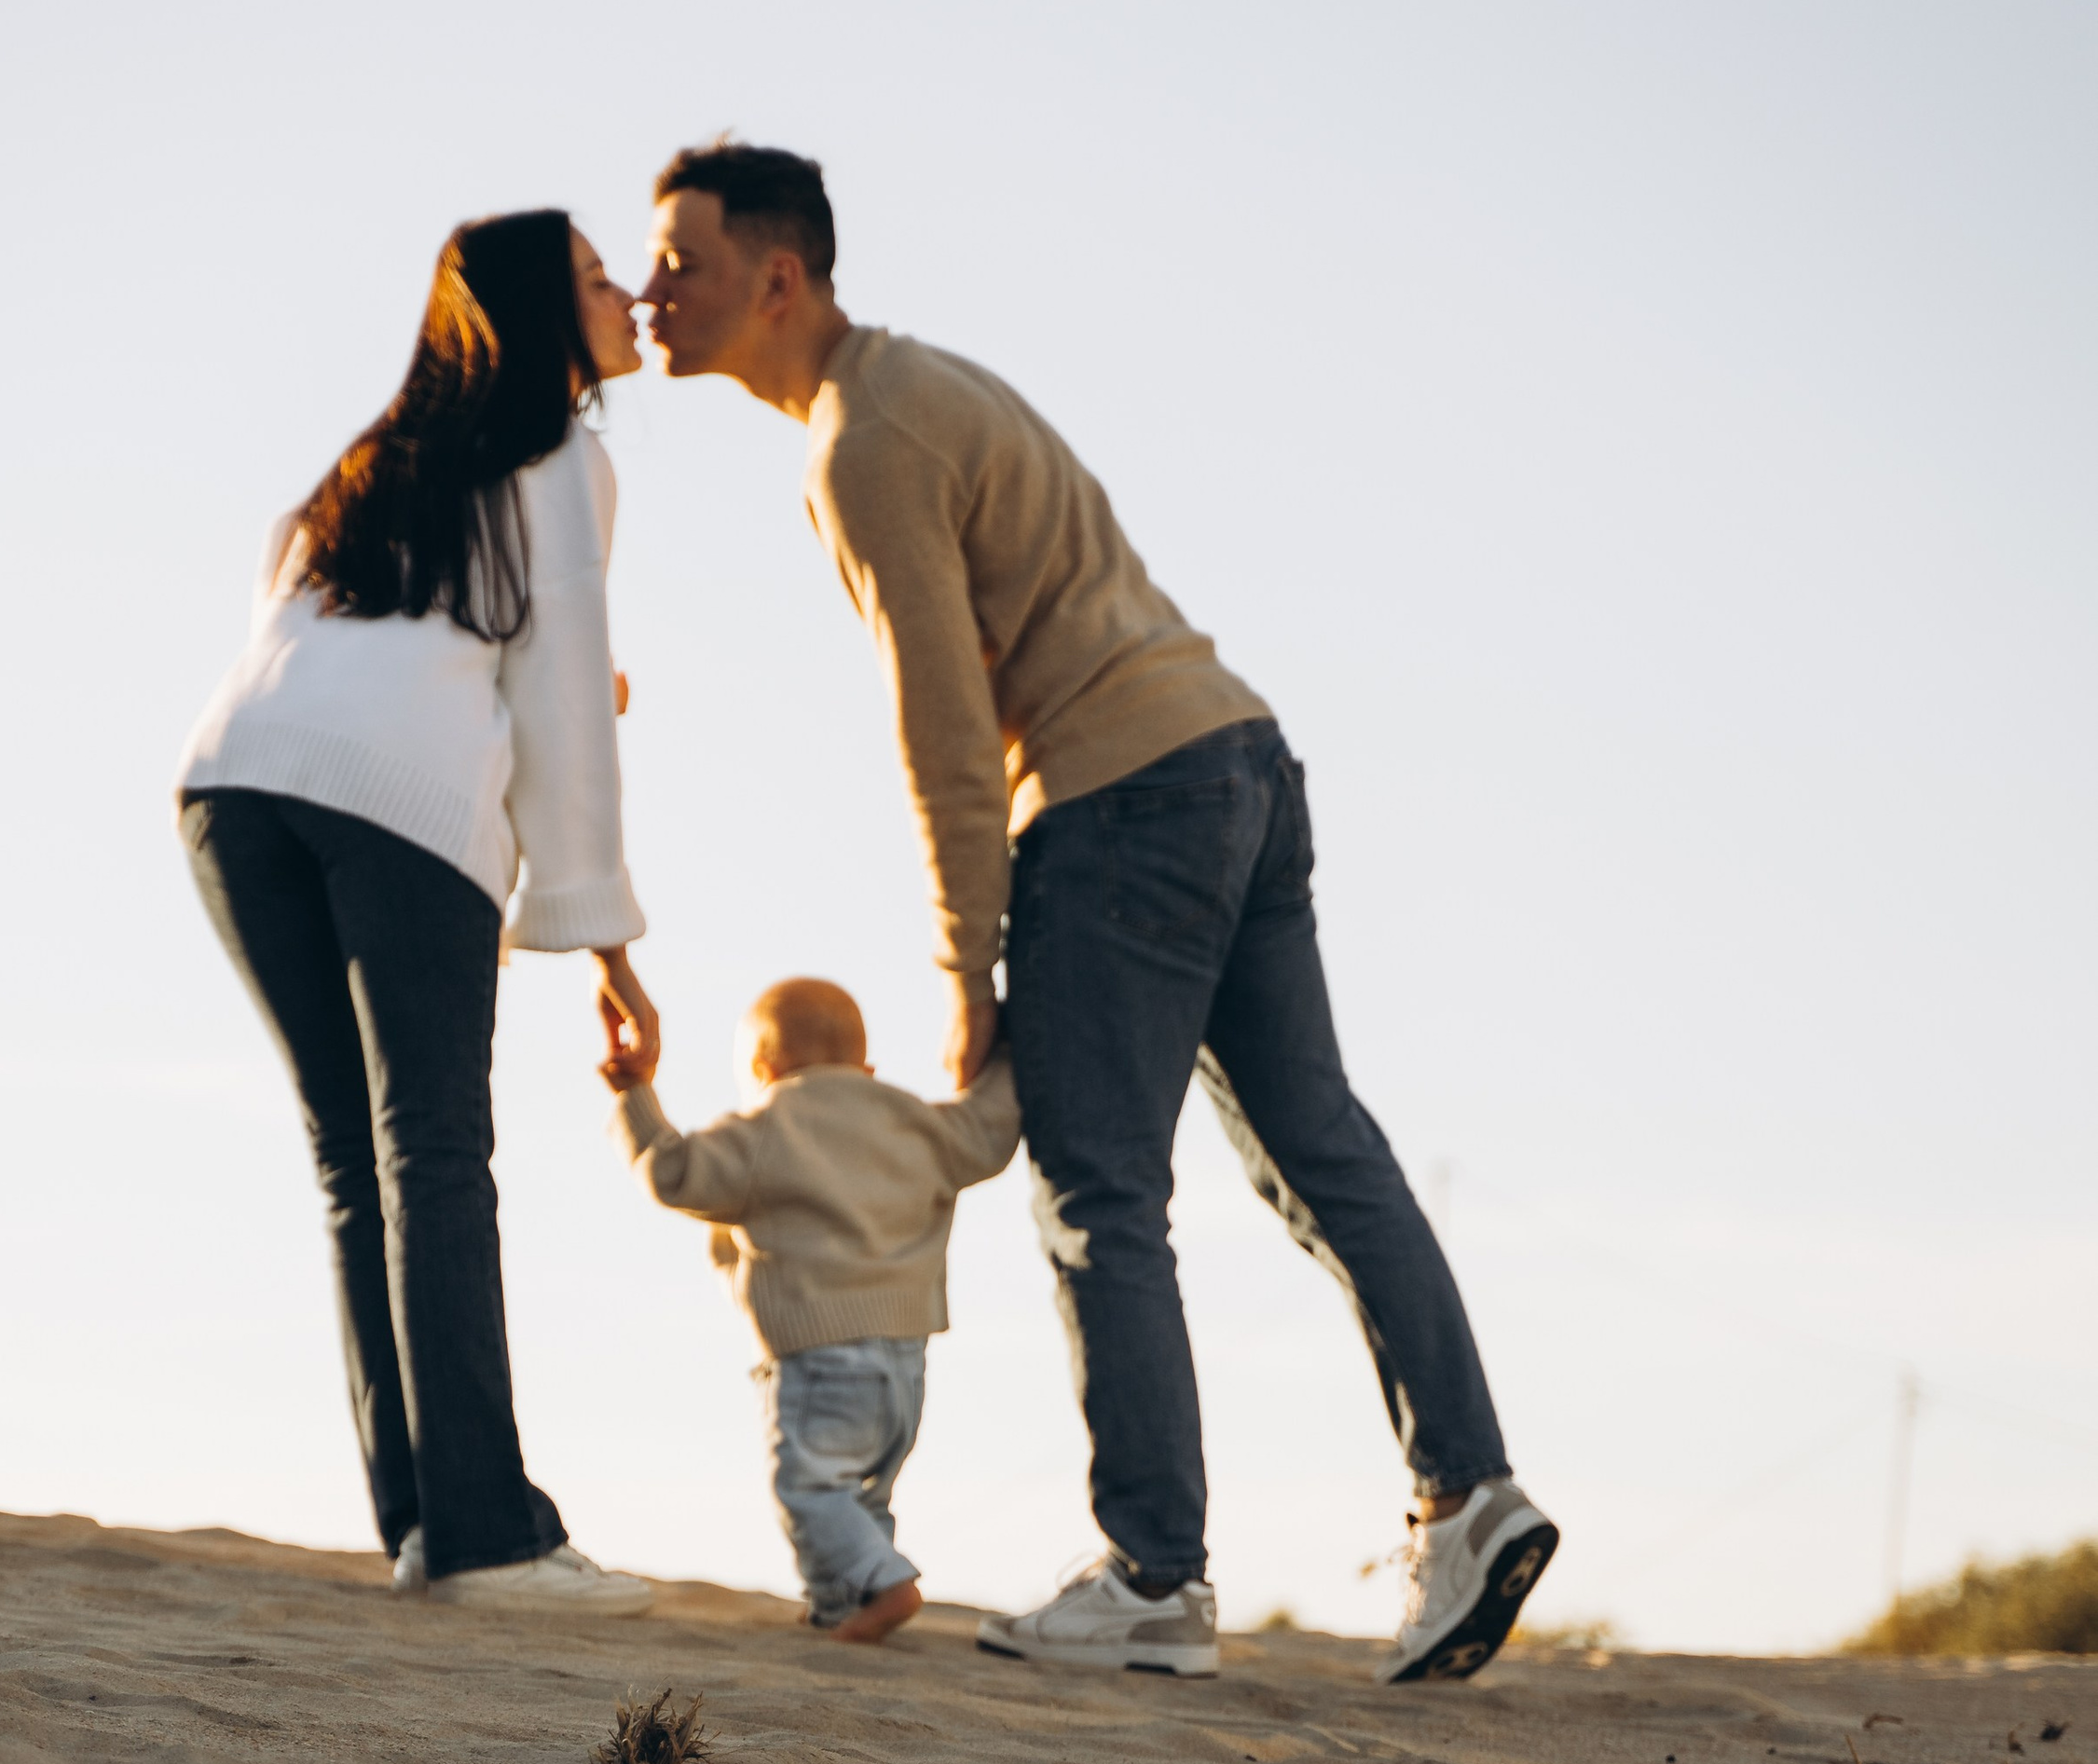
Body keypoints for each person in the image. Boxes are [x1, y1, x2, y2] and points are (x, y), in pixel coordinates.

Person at [637, 144, 1556, 1687]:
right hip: (1237, 760)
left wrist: (964, 957)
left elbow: (943, 719)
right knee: (1321, 1143)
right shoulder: (929, 386)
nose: (656, 289)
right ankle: (1471, 1493)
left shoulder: (863, 443)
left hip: (1117, 802)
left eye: (681, 261)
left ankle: (1154, 1575)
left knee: (1095, 1196)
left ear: (775, 276)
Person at [175, 212, 655, 1614]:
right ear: (538, 318)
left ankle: (427, 1522)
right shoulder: (568, 459)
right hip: (396, 811)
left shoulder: (365, 467)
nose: (624, 292)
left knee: (355, 1156)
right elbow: (563, 701)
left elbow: (348, 633)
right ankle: (486, 1541)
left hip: (230, 784)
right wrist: (609, 946)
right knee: (434, 1152)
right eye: (595, 277)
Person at [607, 977, 1019, 1645]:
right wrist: (1007, 1042)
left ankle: (886, 1588)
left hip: (819, 1356)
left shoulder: (770, 1125)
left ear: (764, 1072)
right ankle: (843, 1605)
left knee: (806, 1487)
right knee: (862, 1495)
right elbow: (992, 1127)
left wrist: (635, 1097)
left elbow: (673, 1172)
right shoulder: (919, 1122)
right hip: (907, 1364)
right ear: (866, 1066)